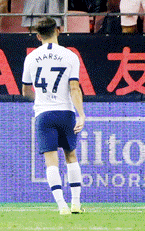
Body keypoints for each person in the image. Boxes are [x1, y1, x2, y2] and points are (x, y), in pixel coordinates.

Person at [21, 16, 85, 215]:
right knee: (71, 156)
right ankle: (76, 204)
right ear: (58, 30)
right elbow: (74, 87)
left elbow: (25, 91)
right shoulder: (70, 56)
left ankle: (61, 206)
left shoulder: (31, 57)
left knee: (51, 161)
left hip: (43, 113)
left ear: (38, 36)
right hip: (65, 111)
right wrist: (81, 114)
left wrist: (39, 100)